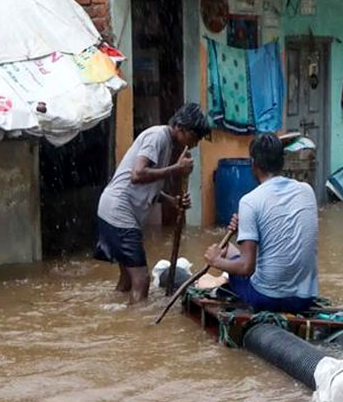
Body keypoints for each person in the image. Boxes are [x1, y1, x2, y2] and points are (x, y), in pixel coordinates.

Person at [96, 103, 210, 303]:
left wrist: (171, 201)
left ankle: (114, 317)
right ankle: (138, 327)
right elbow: (138, 174)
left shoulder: (167, 143)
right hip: (119, 211)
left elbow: (147, 187)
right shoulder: (158, 137)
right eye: (195, 137)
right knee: (142, 280)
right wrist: (176, 168)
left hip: (112, 210)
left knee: (127, 280)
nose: (195, 143)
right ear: (181, 128)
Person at [203, 134, 318, 313]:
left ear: (253, 164)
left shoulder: (250, 201)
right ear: (282, 162)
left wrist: (215, 261)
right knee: (234, 251)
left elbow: (246, 267)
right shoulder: (307, 190)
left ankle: (223, 269)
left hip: (269, 299)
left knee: (232, 263)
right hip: (306, 298)